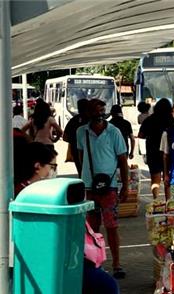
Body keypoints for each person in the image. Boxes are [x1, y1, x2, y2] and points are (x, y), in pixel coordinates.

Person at [12, 142, 119, 294]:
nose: (55, 172)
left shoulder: (30, 191)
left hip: (59, 260)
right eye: (53, 167)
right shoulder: (28, 196)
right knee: (106, 285)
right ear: (37, 167)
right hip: (46, 263)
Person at [77, 99, 130, 279]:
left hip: (109, 188)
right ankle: (95, 263)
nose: (99, 114)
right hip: (89, 187)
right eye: (95, 111)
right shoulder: (81, 132)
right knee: (92, 228)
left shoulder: (114, 132)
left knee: (112, 226)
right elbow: (80, 158)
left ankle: (116, 264)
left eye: (102, 110)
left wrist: (125, 186)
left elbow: (123, 161)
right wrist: (81, 181)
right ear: (88, 114)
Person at [139, 99, 174, 199]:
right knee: (167, 179)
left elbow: (141, 135)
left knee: (155, 179)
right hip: (167, 153)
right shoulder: (171, 120)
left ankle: (156, 200)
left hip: (152, 152)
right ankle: (168, 201)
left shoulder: (149, 120)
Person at [63, 99, 91, 176]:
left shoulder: (73, 120)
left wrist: (73, 141)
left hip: (76, 151)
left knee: (81, 171)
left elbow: (65, 137)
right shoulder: (92, 120)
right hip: (91, 150)